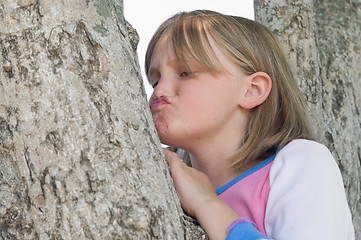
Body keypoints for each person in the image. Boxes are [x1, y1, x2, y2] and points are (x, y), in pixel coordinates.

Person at [145, 10, 355, 240]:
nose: (159, 91)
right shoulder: (163, 189)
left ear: (252, 90)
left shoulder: (301, 162)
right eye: (155, 80)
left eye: (184, 73)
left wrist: (205, 202)